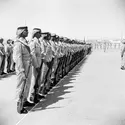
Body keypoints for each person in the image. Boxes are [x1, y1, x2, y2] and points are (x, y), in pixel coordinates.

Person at [13, 26, 34, 114]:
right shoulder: (18, 43)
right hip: (22, 67)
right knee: (21, 86)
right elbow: (17, 58)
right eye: (26, 31)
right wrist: (21, 70)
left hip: (28, 66)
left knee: (27, 84)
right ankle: (19, 107)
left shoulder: (25, 42)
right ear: (21, 32)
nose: (28, 32)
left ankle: (25, 100)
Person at [29, 28, 44, 103]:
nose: (41, 34)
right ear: (35, 33)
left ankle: (36, 94)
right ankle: (32, 96)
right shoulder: (33, 42)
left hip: (39, 62)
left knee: (38, 80)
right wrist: (36, 65)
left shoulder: (38, 42)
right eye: (39, 33)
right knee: (34, 80)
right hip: (35, 64)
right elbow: (33, 54)